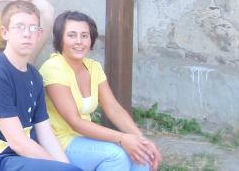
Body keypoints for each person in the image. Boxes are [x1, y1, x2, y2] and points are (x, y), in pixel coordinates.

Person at [39, 11, 161, 171]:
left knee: (141, 155)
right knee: (116, 155)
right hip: (60, 141)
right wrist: (122, 138)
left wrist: (141, 140)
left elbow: (114, 109)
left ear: (91, 39)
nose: (79, 41)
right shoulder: (53, 68)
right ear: (60, 39)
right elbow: (74, 122)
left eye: (84, 36)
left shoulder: (93, 67)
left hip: (85, 138)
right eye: (71, 35)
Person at [0, 0, 82, 171]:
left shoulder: (34, 76)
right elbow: (18, 142)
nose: (27, 34)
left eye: (32, 28)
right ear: (5, 32)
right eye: (19, 27)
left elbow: (46, 134)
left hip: (24, 161)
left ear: (39, 34)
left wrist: (65, 166)